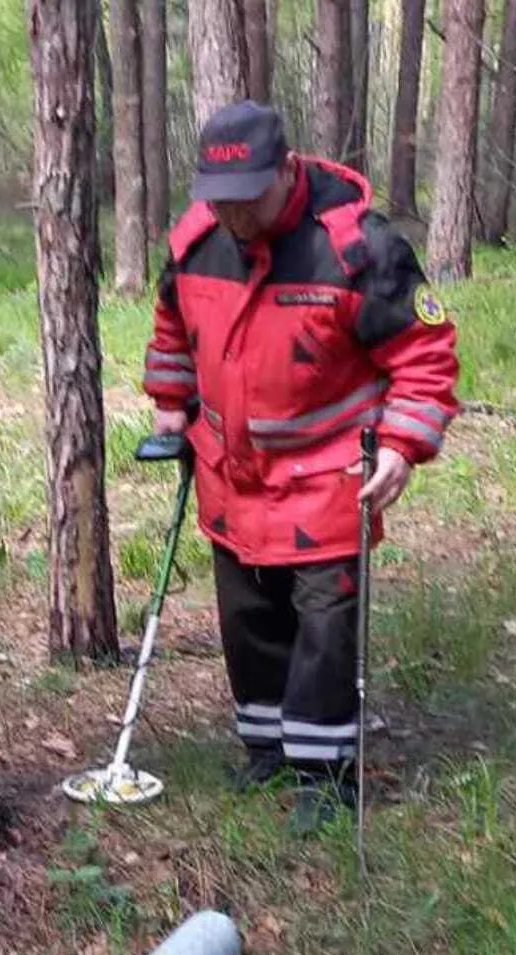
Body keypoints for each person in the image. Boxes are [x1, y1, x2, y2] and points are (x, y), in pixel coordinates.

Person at [142, 100, 460, 831]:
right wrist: (170, 403)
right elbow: (172, 328)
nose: (235, 217)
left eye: (249, 198)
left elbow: (425, 354)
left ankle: (326, 775)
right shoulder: (195, 243)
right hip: (230, 475)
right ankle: (269, 752)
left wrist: (406, 446)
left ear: (286, 171)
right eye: (221, 201)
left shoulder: (360, 249)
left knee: (323, 632)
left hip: (327, 481)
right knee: (248, 620)